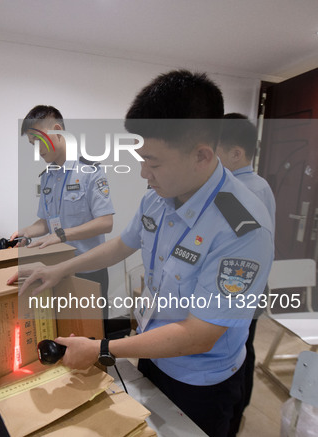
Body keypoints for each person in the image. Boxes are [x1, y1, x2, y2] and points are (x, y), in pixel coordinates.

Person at [19, 71, 274, 437]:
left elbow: (201, 334)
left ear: (202, 155)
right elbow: (122, 244)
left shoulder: (243, 227)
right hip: (152, 350)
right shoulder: (158, 197)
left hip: (201, 380)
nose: (143, 173)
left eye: (153, 163)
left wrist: (103, 348)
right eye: (140, 159)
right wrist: (62, 269)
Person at [11, 105, 120, 335]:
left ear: (57, 131)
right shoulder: (48, 177)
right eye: (32, 145)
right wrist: (25, 232)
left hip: (89, 270)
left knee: (93, 335)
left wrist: (61, 235)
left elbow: (105, 222)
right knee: (68, 333)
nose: (37, 151)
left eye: (39, 141)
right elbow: (46, 222)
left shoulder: (90, 171)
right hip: (58, 268)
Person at [217, 112, 276, 426]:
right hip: (240, 285)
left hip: (244, 288)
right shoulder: (239, 185)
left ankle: (238, 409)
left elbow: (238, 246)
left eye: (215, 150)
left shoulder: (248, 189)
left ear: (236, 154)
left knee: (241, 347)